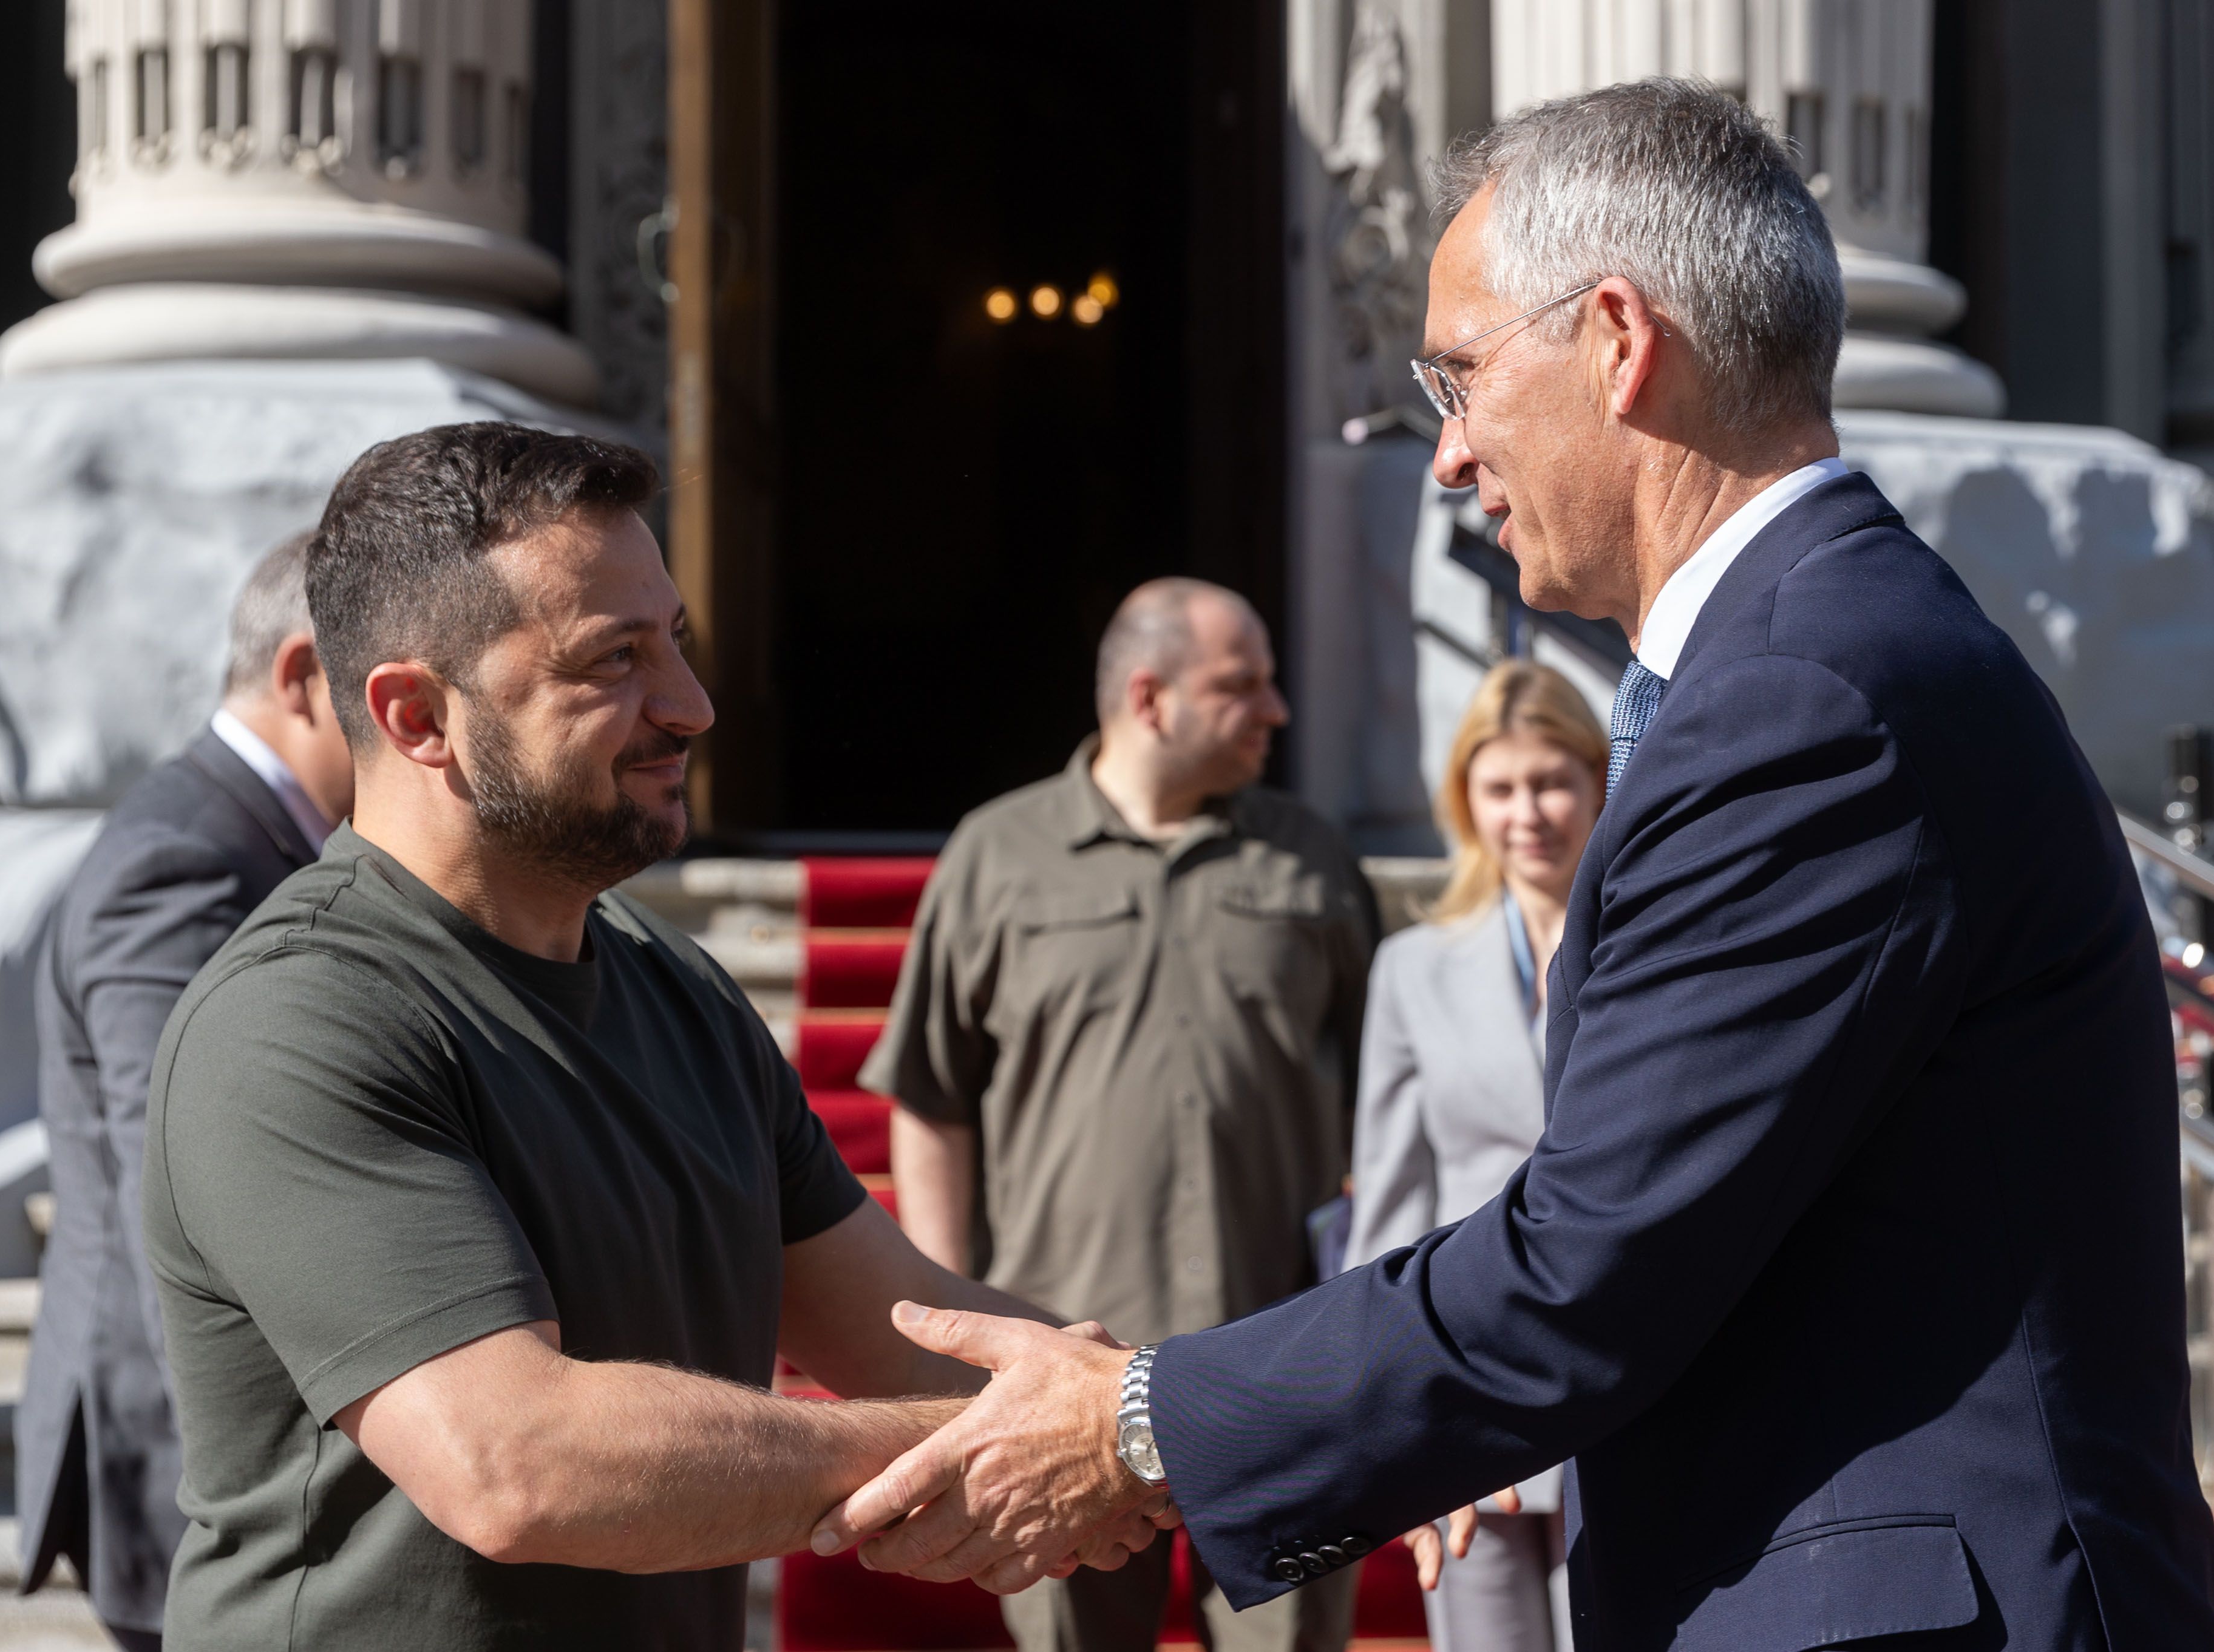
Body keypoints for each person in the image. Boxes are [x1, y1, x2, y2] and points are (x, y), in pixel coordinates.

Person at [810, 80, 2214, 1648]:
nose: (1448, 455)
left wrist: (1139, 1422)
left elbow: (1583, 1269)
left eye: (1460, 379)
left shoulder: (1807, 698)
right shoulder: (1808, 658)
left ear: (1618, 339)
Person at [138, 425, 1165, 1652]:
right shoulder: (297, 1019)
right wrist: (1052, 1438)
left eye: (673, 639)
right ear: (417, 715)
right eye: (610, 660)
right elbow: (518, 1465)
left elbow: (900, 1320)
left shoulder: (676, 991)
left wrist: (1175, 1417)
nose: (688, 703)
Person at [866, 576, 1380, 1652]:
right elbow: (931, 1095)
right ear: (1149, 700)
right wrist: (958, 1324)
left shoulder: (1313, 859)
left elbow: (1386, 1095)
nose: (1278, 711)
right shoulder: (997, 854)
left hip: (1279, 1360)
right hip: (1061, 1360)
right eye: (1243, 686)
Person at [15, 531, 355, 1651]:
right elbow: (188, 1175)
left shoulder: (248, 836)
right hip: (185, 1454)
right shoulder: (186, 857)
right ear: (304, 677)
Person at [1348, 660, 1606, 1652]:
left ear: (1595, 782)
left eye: (1549, 782)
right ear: (1467, 800)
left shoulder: (1657, 945)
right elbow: (1388, 1213)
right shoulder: (1412, 968)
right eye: (1499, 788)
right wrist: (1397, 1422)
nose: (1527, 813)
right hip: (1470, 1399)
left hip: (1627, 1386)